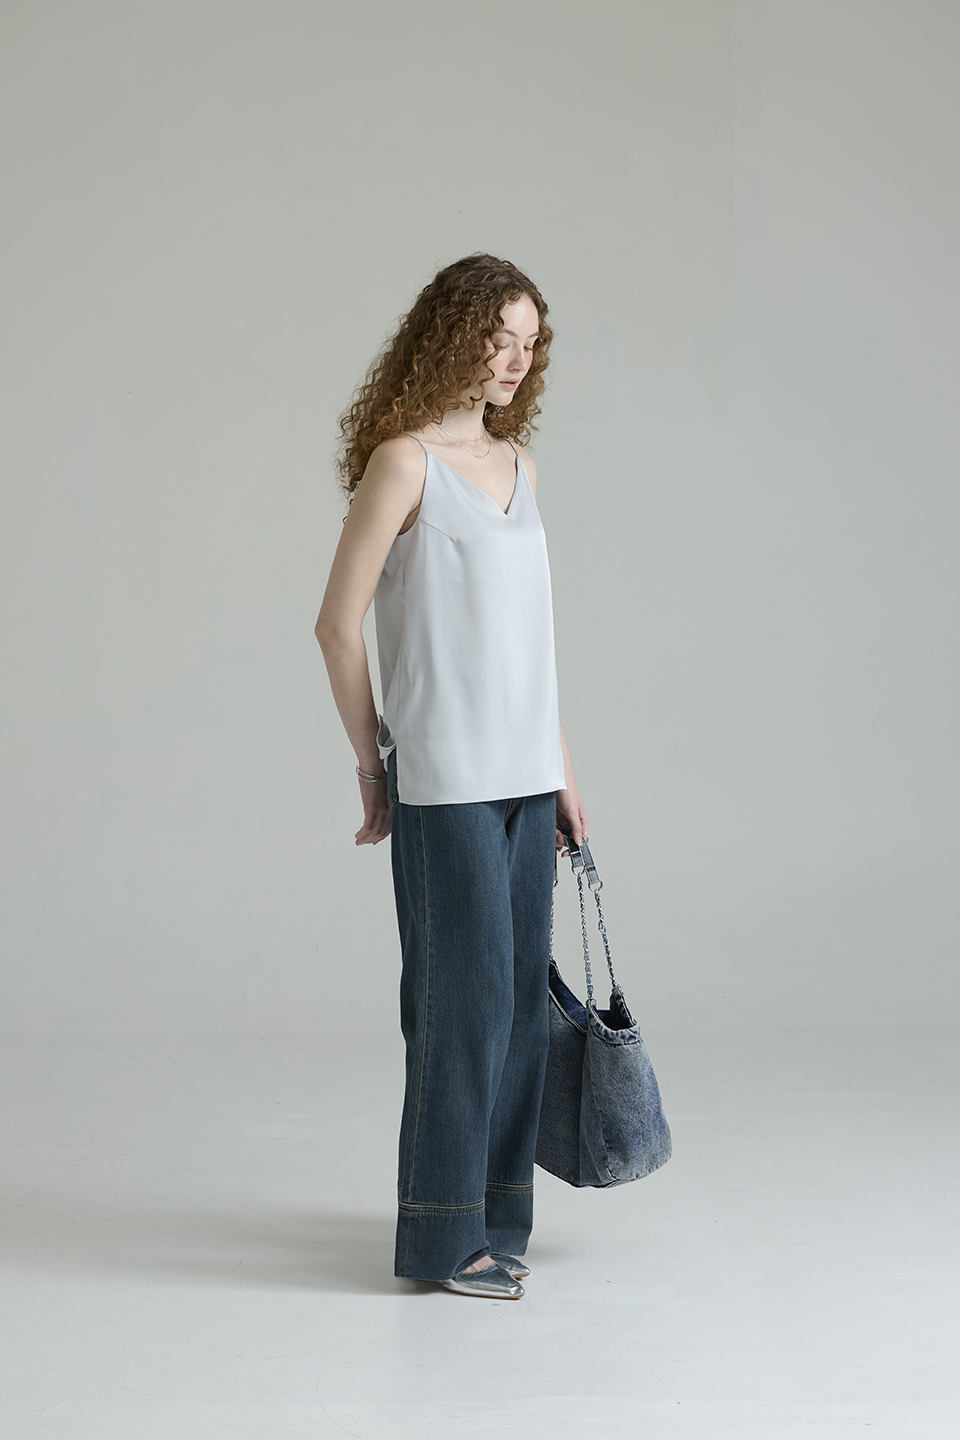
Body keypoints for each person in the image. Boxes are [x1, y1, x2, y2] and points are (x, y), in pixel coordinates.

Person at [315, 254, 587, 1300]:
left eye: (529, 343)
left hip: (526, 774)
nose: (514, 360)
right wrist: (373, 766)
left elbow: (532, 646)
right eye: (497, 337)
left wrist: (563, 770)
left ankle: (495, 1218)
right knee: (458, 1007)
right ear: (452, 336)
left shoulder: (521, 467)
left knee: (517, 1007)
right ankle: (439, 1236)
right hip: (446, 777)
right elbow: (337, 627)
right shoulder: (405, 465)